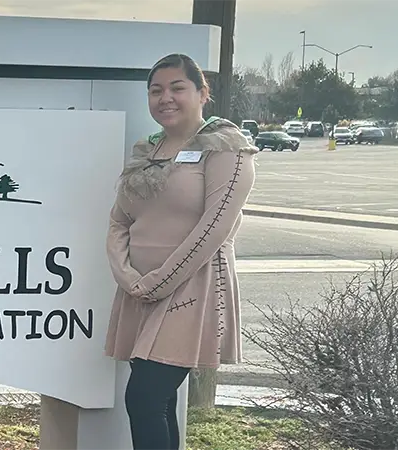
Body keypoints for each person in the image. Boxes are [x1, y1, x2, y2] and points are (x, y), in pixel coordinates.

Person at [103, 53, 258, 450]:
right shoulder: (148, 150)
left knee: (144, 397)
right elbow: (119, 221)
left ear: (203, 93)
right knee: (158, 400)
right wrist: (127, 275)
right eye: (155, 90)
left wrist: (158, 282)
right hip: (140, 291)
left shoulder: (226, 148)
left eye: (177, 88)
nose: (165, 98)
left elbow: (214, 227)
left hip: (192, 288)